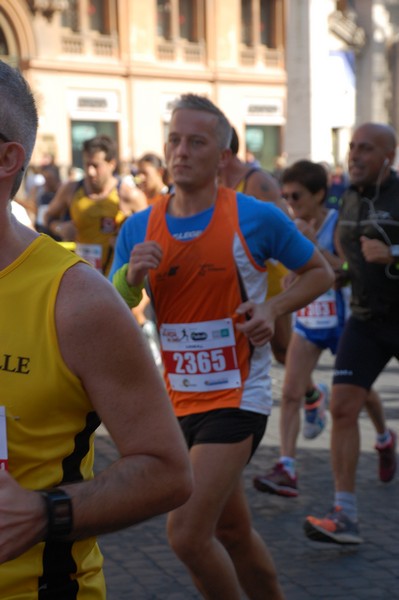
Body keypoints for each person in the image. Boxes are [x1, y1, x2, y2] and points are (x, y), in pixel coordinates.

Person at [110, 93, 334, 599]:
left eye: (196, 141)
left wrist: (273, 309)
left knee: (187, 534)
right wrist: (130, 277)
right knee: (231, 531)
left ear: (223, 156)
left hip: (238, 398)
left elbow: (319, 272)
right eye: (174, 140)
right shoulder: (140, 227)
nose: (181, 151)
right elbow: (111, 307)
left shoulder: (255, 218)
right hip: (177, 404)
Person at [0, 60, 192, 598]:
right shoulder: (74, 193)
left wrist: (44, 513)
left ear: (6, 156)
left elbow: (168, 471)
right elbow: (54, 210)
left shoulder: (75, 301)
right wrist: (59, 219)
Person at [253, 160, 391, 498]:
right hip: (309, 322)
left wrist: (316, 246)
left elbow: (348, 269)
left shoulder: (338, 223)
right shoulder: (289, 225)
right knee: (289, 393)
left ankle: (385, 436)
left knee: (362, 393)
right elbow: (290, 271)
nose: (290, 203)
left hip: (344, 321)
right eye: (285, 196)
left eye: (296, 195)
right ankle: (286, 466)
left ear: (319, 195)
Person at [304, 122, 398, 545]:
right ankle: (345, 515)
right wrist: (325, 274)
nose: (355, 155)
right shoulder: (346, 197)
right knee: (342, 408)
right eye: (352, 148)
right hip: (365, 320)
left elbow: (381, 255)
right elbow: (351, 263)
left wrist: (394, 253)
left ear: (388, 157)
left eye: (366, 149)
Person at [219, 127, 292, 365]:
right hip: (235, 280)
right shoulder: (213, 183)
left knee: (283, 350)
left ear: (224, 152)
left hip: (270, 278)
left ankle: (311, 392)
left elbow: (286, 229)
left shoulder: (256, 181)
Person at [44, 134, 147, 275]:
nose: (91, 172)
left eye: (96, 166)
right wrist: (60, 228)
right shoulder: (71, 190)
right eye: (87, 164)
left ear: (112, 164)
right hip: (81, 277)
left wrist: (126, 241)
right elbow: (47, 216)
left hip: (116, 281)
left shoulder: (129, 195)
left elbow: (149, 236)